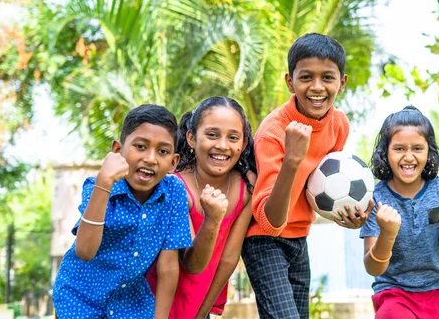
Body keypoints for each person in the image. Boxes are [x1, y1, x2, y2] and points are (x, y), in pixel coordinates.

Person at [241, 33, 375, 319]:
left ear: (342, 82)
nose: (317, 87)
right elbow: (269, 221)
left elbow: (322, 189)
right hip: (264, 241)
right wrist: (292, 160)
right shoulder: (273, 132)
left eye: (327, 77)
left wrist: (349, 216)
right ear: (290, 81)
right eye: (306, 77)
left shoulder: (339, 124)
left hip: (300, 238)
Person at [52, 104, 192, 319]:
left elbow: (168, 266)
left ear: (173, 163)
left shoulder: (174, 192)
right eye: (140, 146)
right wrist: (104, 182)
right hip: (79, 300)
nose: (151, 158)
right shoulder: (97, 186)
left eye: (162, 151)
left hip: (131, 306)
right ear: (118, 150)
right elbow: (85, 251)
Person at [147, 97, 256, 319]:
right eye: (212, 135)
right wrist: (212, 219)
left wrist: (203, 311)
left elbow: (228, 258)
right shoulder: (175, 185)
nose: (222, 145)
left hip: (200, 301)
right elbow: (190, 262)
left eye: (232, 137)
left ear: (243, 144)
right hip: (156, 300)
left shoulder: (246, 188)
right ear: (191, 138)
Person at [360, 106, 439, 319]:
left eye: (417, 148)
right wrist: (387, 234)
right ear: (385, 152)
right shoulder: (375, 197)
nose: (409, 157)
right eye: (399, 148)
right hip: (395, 293)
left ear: (429, 151)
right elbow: (373, 268)